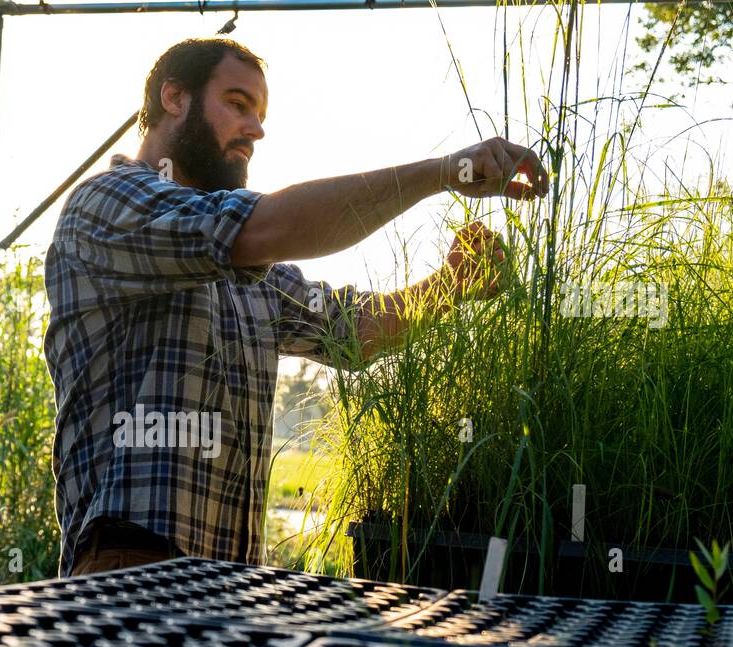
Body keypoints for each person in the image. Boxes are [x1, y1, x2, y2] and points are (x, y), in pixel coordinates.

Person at [44, 37, 548, 578]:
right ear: (174, 97)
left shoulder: (245, 267)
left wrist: (453, 283)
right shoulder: (109, 203)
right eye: (237, 104)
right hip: (131, 567)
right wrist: (444, 172)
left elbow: (351, 331)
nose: (256, 130)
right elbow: (273, 223)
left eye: (260, 115)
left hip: (230, 580)